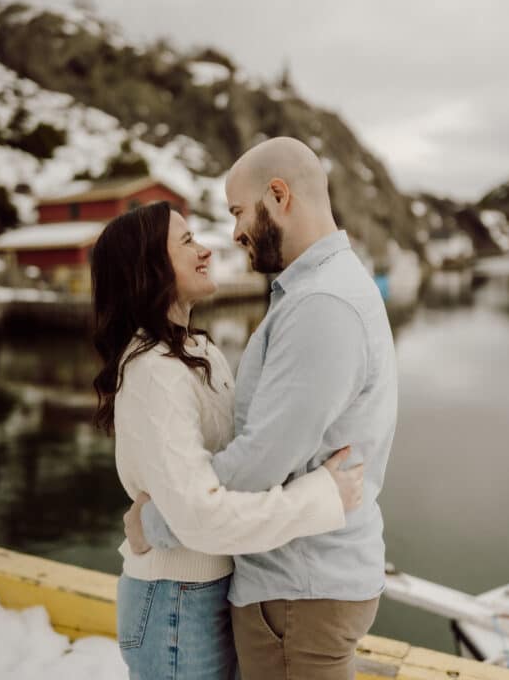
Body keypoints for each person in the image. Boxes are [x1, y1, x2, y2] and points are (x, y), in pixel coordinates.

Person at [125, 137, 398, 680]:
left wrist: (156, 522)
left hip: (300, 588)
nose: (232, 234)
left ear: (278, 196)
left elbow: (258, 465)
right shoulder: (318, 292)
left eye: (237, 212)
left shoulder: (321, 304)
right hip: (305, 585)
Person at [91, 199, 364, 680]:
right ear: (149, 266)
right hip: (177, 599)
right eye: (186, 241)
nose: (207, 250)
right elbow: (201, 515)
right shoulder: (153, 371)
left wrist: (151, 521)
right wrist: (320, 498)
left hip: (211, 589)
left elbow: (241, 465)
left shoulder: (201, 351)